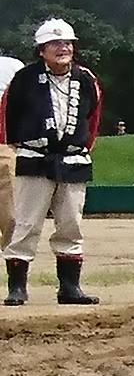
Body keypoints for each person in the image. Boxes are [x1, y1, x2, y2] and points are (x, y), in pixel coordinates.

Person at [5, 19, 100, 305]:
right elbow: (8, 114)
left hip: (73, 159)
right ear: (41, 49)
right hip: (35, 158)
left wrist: (81, 146)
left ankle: (70, 288)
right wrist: (19, 143)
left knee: (71, 224)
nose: (63, 48)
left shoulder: (86, 79)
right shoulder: (24, 78)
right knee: (26, 223)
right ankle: (17, 288)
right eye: (56, 44)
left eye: (67, 43)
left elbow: (93, 117)